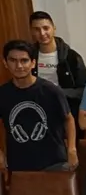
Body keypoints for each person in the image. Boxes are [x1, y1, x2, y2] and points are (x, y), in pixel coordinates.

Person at [0, 40, 76, 171]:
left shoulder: (51, 91)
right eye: (13, 60)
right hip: (18, 165)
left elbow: (69, 119)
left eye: (24, 60)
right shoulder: (2, 94)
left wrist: (72, 149)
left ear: (33, 63)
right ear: (5, 63)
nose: (19, 65)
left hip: (54, 162)